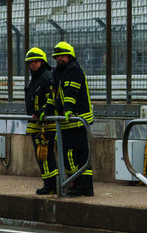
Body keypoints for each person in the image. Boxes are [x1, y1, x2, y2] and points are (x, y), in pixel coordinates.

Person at [47, 41, 94, 197]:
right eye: (56, 56)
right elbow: (54, 96)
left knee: (69, 153)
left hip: (75, 119)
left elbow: (70, 92)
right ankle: (85, 187)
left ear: (70, 56)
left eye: (62, 56)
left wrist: (67, 110)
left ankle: (76, 183)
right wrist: (45, 111)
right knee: (81, 155)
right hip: (70, 120)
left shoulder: (73, 70)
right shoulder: (59, 72)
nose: (58, 58)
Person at [24, 47, 58, 195]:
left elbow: (52, 99)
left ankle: (52, 185)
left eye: (36, 62)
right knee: (41, 156)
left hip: (46, 124)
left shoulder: (46, 78)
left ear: (43, 62)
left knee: (46, 154)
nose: (33, 65)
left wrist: (41, 112)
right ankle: (49, 184)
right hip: (36, 123)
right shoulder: (36, 79)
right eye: (30, 62)